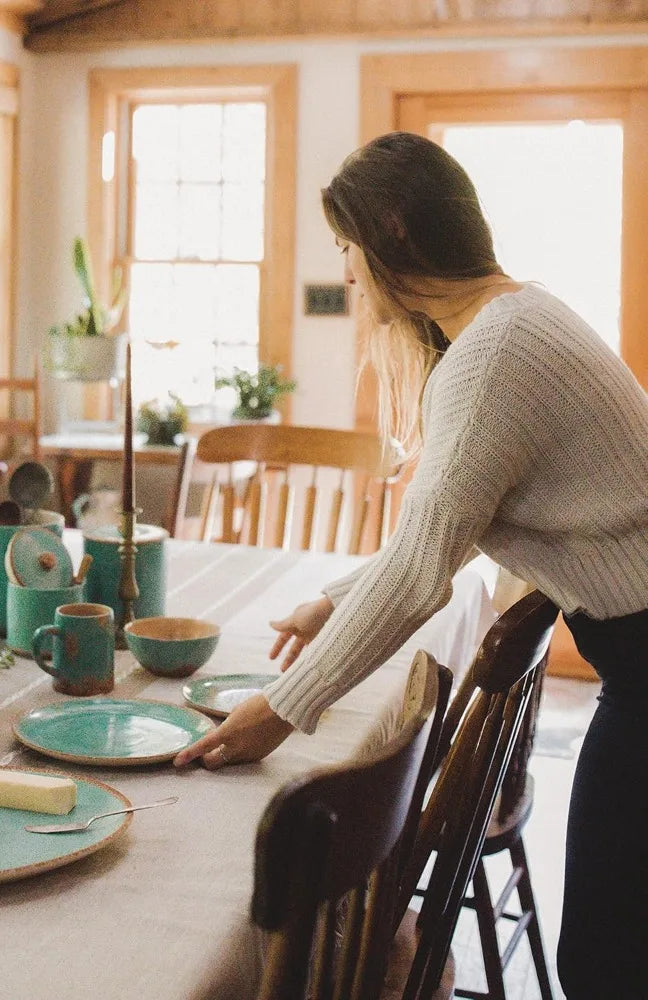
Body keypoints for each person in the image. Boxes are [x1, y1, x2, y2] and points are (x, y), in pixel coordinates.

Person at [172, 131, 648, 998]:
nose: (347, 273)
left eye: (348, 246)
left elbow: (423, 568)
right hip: (636, 651)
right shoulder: (515, 322)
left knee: (609, 963)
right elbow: (456, 523)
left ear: (392, 232)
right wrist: (332, 601)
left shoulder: (492, 355)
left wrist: (280, 711)